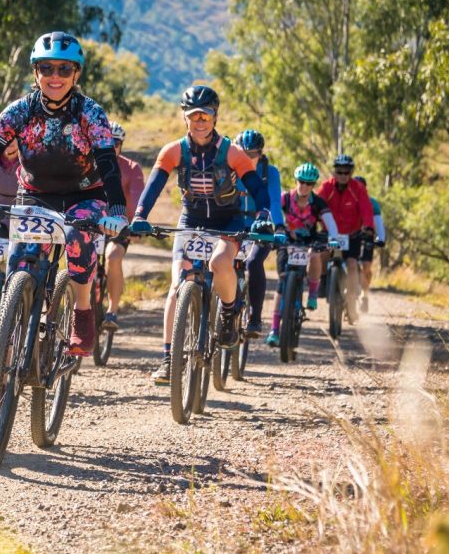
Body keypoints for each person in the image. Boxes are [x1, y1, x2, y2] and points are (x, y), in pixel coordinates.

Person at [0, 31, 127, 357]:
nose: (55, 76)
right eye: (46, 68)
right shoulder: (19, 111)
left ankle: (83, 312)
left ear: (77, 73)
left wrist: (116, 209)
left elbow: (107, 163)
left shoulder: (90, 113)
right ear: (35, 72)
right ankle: (2, 375)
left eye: (64, 69)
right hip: (33, 196)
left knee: (77, 235)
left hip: (84, 196)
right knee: (17, 272)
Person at [129, 85, 280, 384]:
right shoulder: (174, 151)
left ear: (215, 117)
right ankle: (168, 359)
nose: (200, 121)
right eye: (194, 115)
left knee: (220, 264)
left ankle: (227, 313)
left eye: (206, 116)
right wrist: (140, 216)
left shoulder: (232, 152)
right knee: (176, 286)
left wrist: (263, 216)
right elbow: (155, 186)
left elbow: (260, 191)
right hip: (191, 220)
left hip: (228, 221)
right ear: (185, 117)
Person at [266, 163, 340, 346]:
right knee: (281, 286)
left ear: (313, 185)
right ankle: (275, 330)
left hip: (309, 242)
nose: (304, 186)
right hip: (287, 242)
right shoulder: (285, 199)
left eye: (309, 183)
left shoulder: (318, 203)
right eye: (301, 181)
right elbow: (271, 213)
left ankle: (313, 295)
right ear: (296, 180)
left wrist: (334, 238)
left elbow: (330, 223)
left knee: (315, 256)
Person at [232, 129, 285, 338]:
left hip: (260, 228)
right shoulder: (229, 169)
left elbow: (273, 202)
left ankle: (255, 317)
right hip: (233, 225)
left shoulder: (269, 173)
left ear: (260, 154)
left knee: (254, 262)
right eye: (241, 153)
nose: (246, 158)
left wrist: (279, 227)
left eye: (251, 154)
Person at [316, 154, 374, 322]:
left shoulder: (358, 189)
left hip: (352, 234)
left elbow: (366, 209)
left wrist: (368, 227)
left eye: (346, 172)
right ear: (335, 172)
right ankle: (324, 280)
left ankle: (351, 305)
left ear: (351, 173)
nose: (342, 175)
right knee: (323, 255)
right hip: (331, 232)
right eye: (339, 172)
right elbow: (317, 205)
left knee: (352, 265)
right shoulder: (327, 187)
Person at [101, 121, 145, 330]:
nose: (111, 147)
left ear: (121, 145)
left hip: (120, 225)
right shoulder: (88, 164)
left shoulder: (131, 168)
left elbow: (137, 199)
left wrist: (136, 223)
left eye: (115, 143)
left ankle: (112, 310)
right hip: (91, 223)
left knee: (113, 255)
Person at [353, 175, 386, 313]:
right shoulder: (346, 200)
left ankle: (364, 295)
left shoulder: (372, 203)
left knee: (365, 267)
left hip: (366, 237)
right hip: (350, 236)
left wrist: (381, 237)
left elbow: (378, 222)